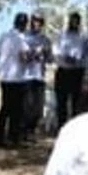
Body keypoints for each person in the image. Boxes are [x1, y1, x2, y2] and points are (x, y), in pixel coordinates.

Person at [0, 12, 31, 148]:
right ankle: (14, 138)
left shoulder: (4, 36)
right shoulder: (21, 38)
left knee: (5, 109)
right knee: (17, 111)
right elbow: (24, 57)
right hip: (17, 78)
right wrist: (33, 56)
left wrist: (7, 56)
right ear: (24, 24)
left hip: (4, 77)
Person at [23, 12, 55, 141]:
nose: (36, 23)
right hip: (26, 76)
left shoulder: (45, 40)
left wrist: (46, 53)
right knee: (26, 106)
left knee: (38, 107)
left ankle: (31, 130)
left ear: (42, 24)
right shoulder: (24, 37)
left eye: (38, 21)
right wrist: (31, 53)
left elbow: (50, 59)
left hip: (39, 76)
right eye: (34, 21)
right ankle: (24, 132)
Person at [54, 12, 86, 129]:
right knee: (61, 102)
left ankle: (74, 129)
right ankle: (61, 128)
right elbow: (56, 51)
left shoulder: (83, 37)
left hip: (77, 72)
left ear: (79, 23)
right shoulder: (62, 35)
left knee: (75, 103)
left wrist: (76, 60)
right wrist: (65, 57)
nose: (74, 23)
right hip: (63, 71)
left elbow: (85, 54)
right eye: (72, 21)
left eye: (76, 21)